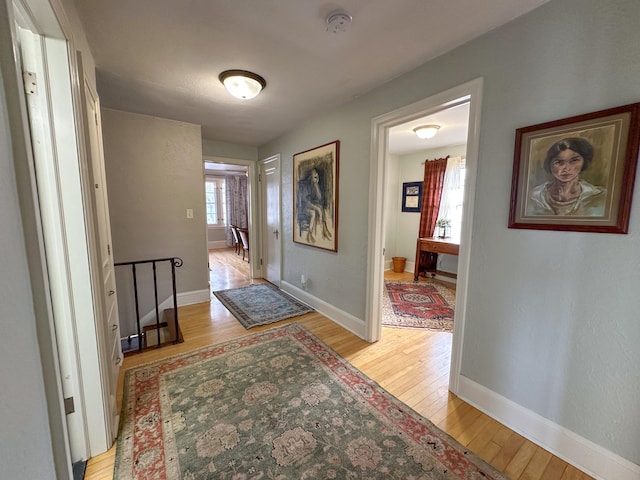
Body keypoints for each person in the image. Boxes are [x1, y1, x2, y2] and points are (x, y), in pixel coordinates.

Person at [528, 137, 606, 216]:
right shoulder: (534, 196)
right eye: (559, 162)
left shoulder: (597, 196)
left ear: (584, 162)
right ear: (550, 165)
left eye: (574, 160)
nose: (566, 168)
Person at [297, 167, 332, 243]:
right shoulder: (305, 186)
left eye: (317, 175)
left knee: (320, 207)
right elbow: (305, 201)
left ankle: (324, 228)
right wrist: (316, 208)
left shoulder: (313, 185)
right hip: (304, 207)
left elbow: (319, 198)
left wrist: (316, 184)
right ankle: (309, 234)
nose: (316, 176)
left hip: (309, 205)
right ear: (310, 176)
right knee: (315, 211)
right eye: (314, 175)